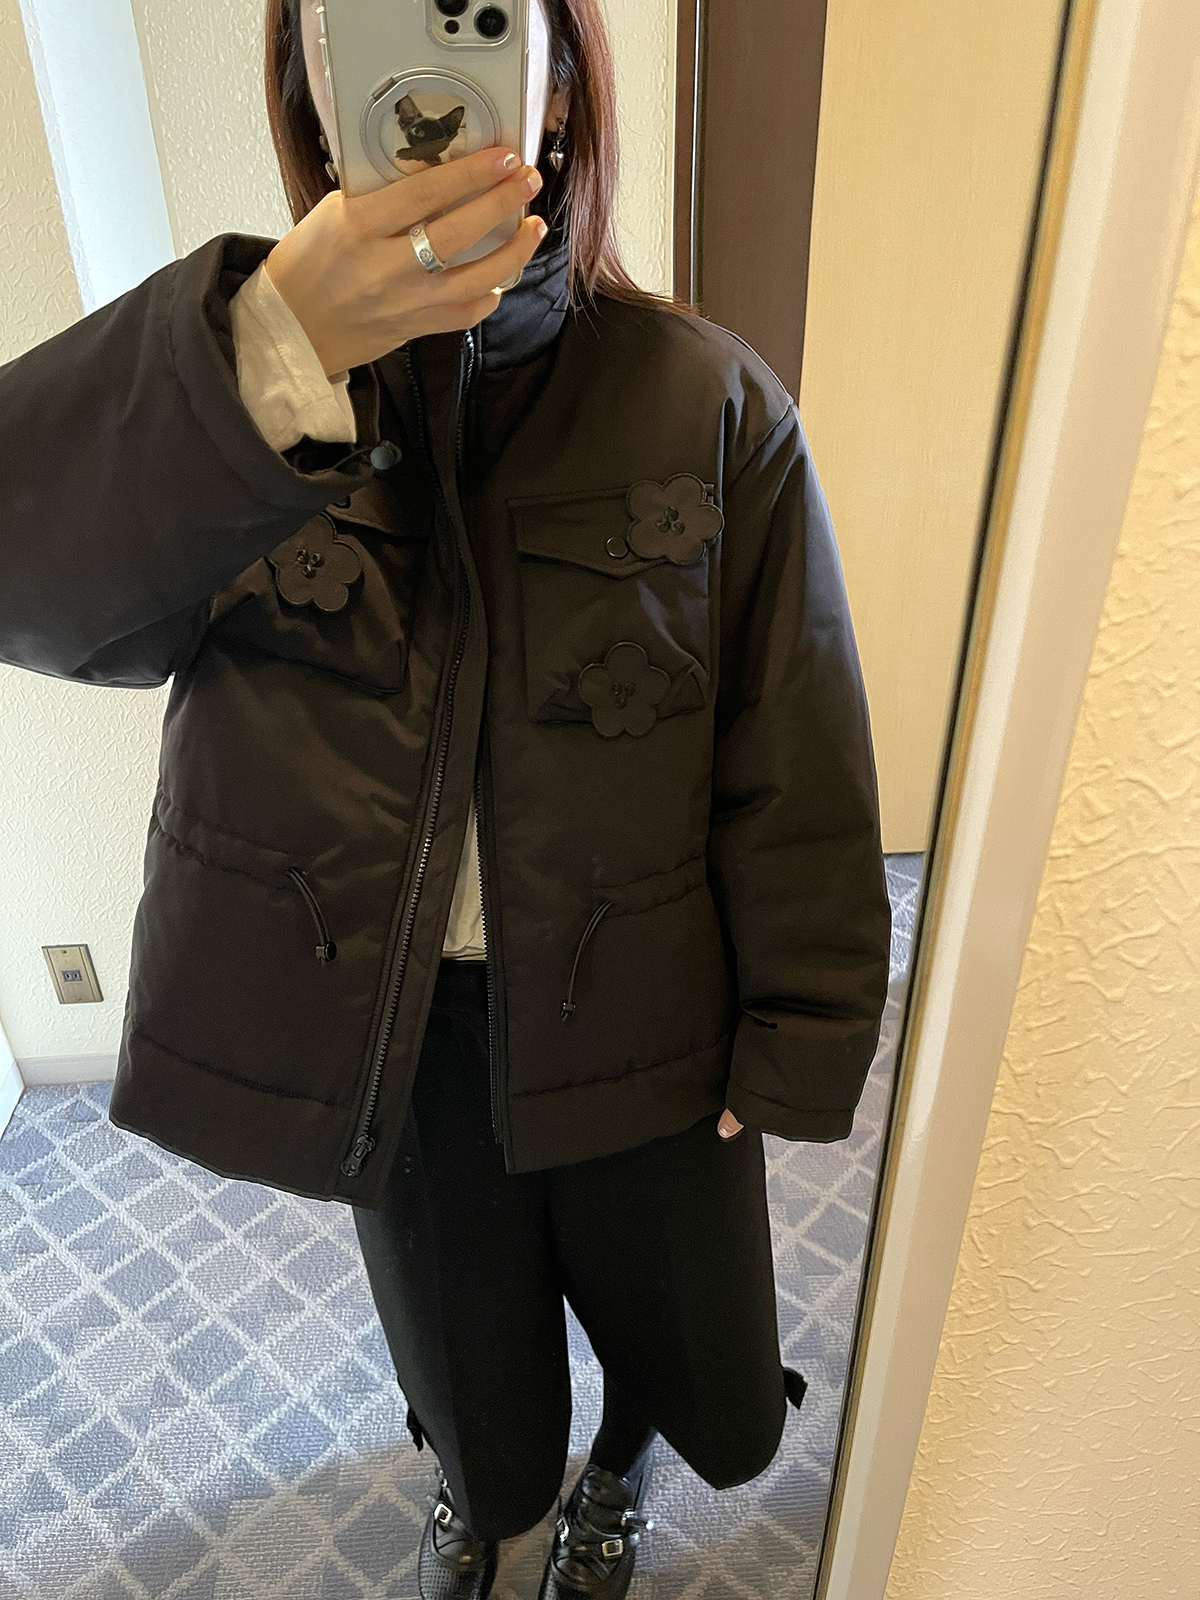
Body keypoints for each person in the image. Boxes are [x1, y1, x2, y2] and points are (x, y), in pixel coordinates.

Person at [0, 0, 892, 1594]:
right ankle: (495, 1501)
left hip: (643, 1006)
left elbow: (797, 749)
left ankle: (621, 1470)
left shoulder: (709, 399)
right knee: (471, 1372)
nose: (419, 74)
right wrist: (275, 345)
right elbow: (33, 580)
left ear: (556, 89)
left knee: (694, 1359)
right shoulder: (235, 402)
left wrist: (801, 1030)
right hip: (396, 1024)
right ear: (308, 87)